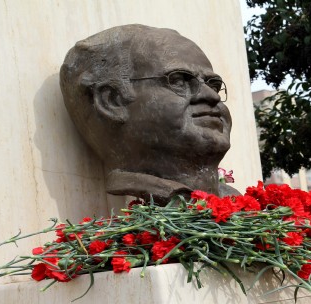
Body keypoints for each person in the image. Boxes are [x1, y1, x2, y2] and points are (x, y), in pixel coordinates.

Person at [60, 24, 239, 205]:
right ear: (112, 101)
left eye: (213, 84)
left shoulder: (244, 203)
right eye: (179, 80)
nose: (212, 95)